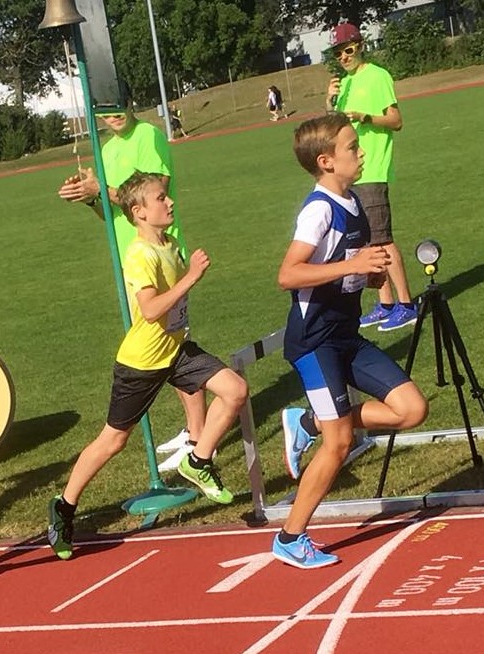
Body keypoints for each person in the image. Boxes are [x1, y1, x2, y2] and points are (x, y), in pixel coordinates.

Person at [47, 172, 248, 560]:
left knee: (235, 390)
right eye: (161, 199)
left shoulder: (171, 244)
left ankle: (198, 461)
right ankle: (64, 506)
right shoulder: (140, 254)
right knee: (114, 440)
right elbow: (152, 310)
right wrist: (191, 278)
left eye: (168, 197)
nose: (170, 203)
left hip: (176, 352)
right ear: (139, 212)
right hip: (141, 362)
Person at [275, 113, 428, 569]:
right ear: (326, 161)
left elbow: (347, 275)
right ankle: (289, 537)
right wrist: (353, 266)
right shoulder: (319, 209)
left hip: (345, 335)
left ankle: (308, 422)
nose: (361, 154)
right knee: (339, 442)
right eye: (352, 148)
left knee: (412, 409)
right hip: (313, 341)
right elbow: (288, 274)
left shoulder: (354, 201)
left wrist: (371, 271)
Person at [57, 104, 206, 470]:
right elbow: (116, 212)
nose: (112, 118)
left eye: (116, 109)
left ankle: (199, 438)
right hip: (133, 259)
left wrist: (102, 188)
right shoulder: (107, 150)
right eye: (103, 114)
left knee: (174, 341)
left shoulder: (147, 136)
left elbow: (156, 195)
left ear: (128, 103)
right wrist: (90, 197)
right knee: (161, 347)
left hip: (161, 255)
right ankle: (193, 432)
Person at [328, 22, 416, 332]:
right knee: (368, 242)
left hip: (373, 168)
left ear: (360, 45)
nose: (344, 57)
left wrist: (365, 116)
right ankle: (386, 303)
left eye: (348, 50)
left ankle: (407, 304)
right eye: (338, 53)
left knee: (383, 239)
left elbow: (396, 120)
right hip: (351, 174)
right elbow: (332, 128)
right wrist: (331, 101)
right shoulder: (344, 85)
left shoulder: (377, 76)